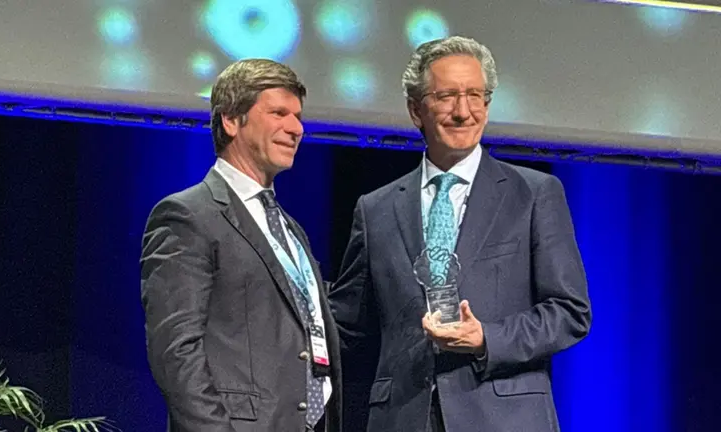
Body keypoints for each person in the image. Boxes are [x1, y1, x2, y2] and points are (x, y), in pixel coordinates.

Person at [328, 36, 592, 432]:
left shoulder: (533, 194)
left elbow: (570, 312)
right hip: (402, 417)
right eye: (447, 96)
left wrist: (487, 337)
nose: (463, 111)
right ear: (416, 109)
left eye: (475, 95)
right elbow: (348, 324)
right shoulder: (376, 208)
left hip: (504, 418)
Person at [140, 59, 342, 432]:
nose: (296, 128)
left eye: (298, 116)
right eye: (279, 113)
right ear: (231, 120)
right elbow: (176, 353)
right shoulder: (188, 216)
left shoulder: (290, 228)